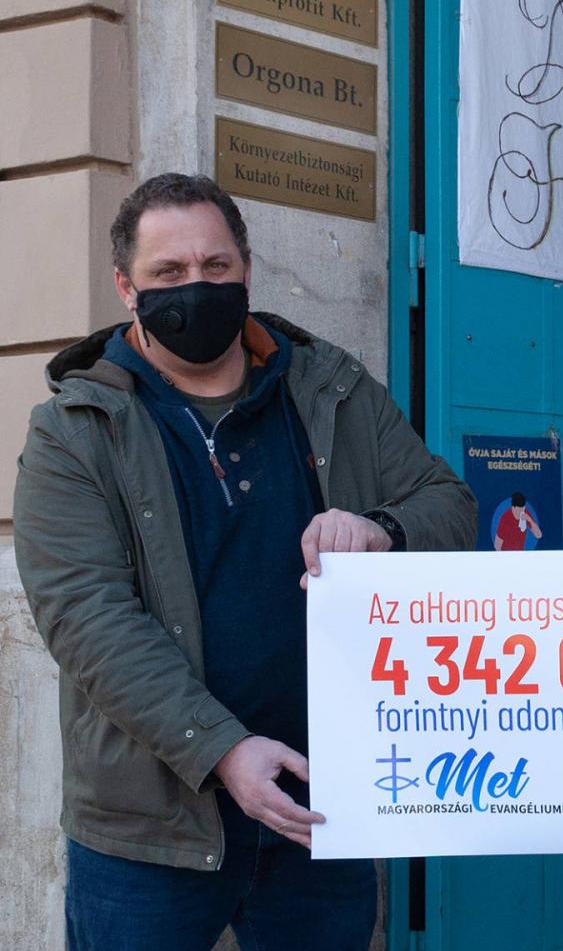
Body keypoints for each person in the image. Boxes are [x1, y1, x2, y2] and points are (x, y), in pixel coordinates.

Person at [13, 173, 477, 949]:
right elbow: (88, 620)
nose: (196, 287)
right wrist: (222, 749)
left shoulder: (331, 388)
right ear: (126, 287)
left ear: (247, 270)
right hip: (151, 831)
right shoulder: (76, 430)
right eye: (168, 272)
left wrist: (382, 530)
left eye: (215, 266)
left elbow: (450, 505)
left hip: (317, 806)